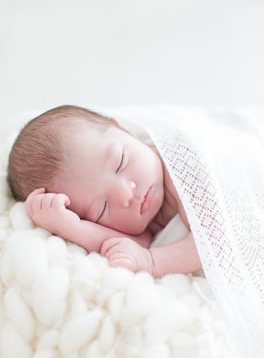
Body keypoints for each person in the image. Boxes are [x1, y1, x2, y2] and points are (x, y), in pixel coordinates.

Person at [7, 105, 202, 277]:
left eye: (120, 163)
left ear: (123, 130)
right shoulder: (141, 223)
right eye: (103, 208)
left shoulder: (183, 165)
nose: (126, 195)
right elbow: (131, 245)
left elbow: (214, 244)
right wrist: (72, 228)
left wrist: (153, 262)